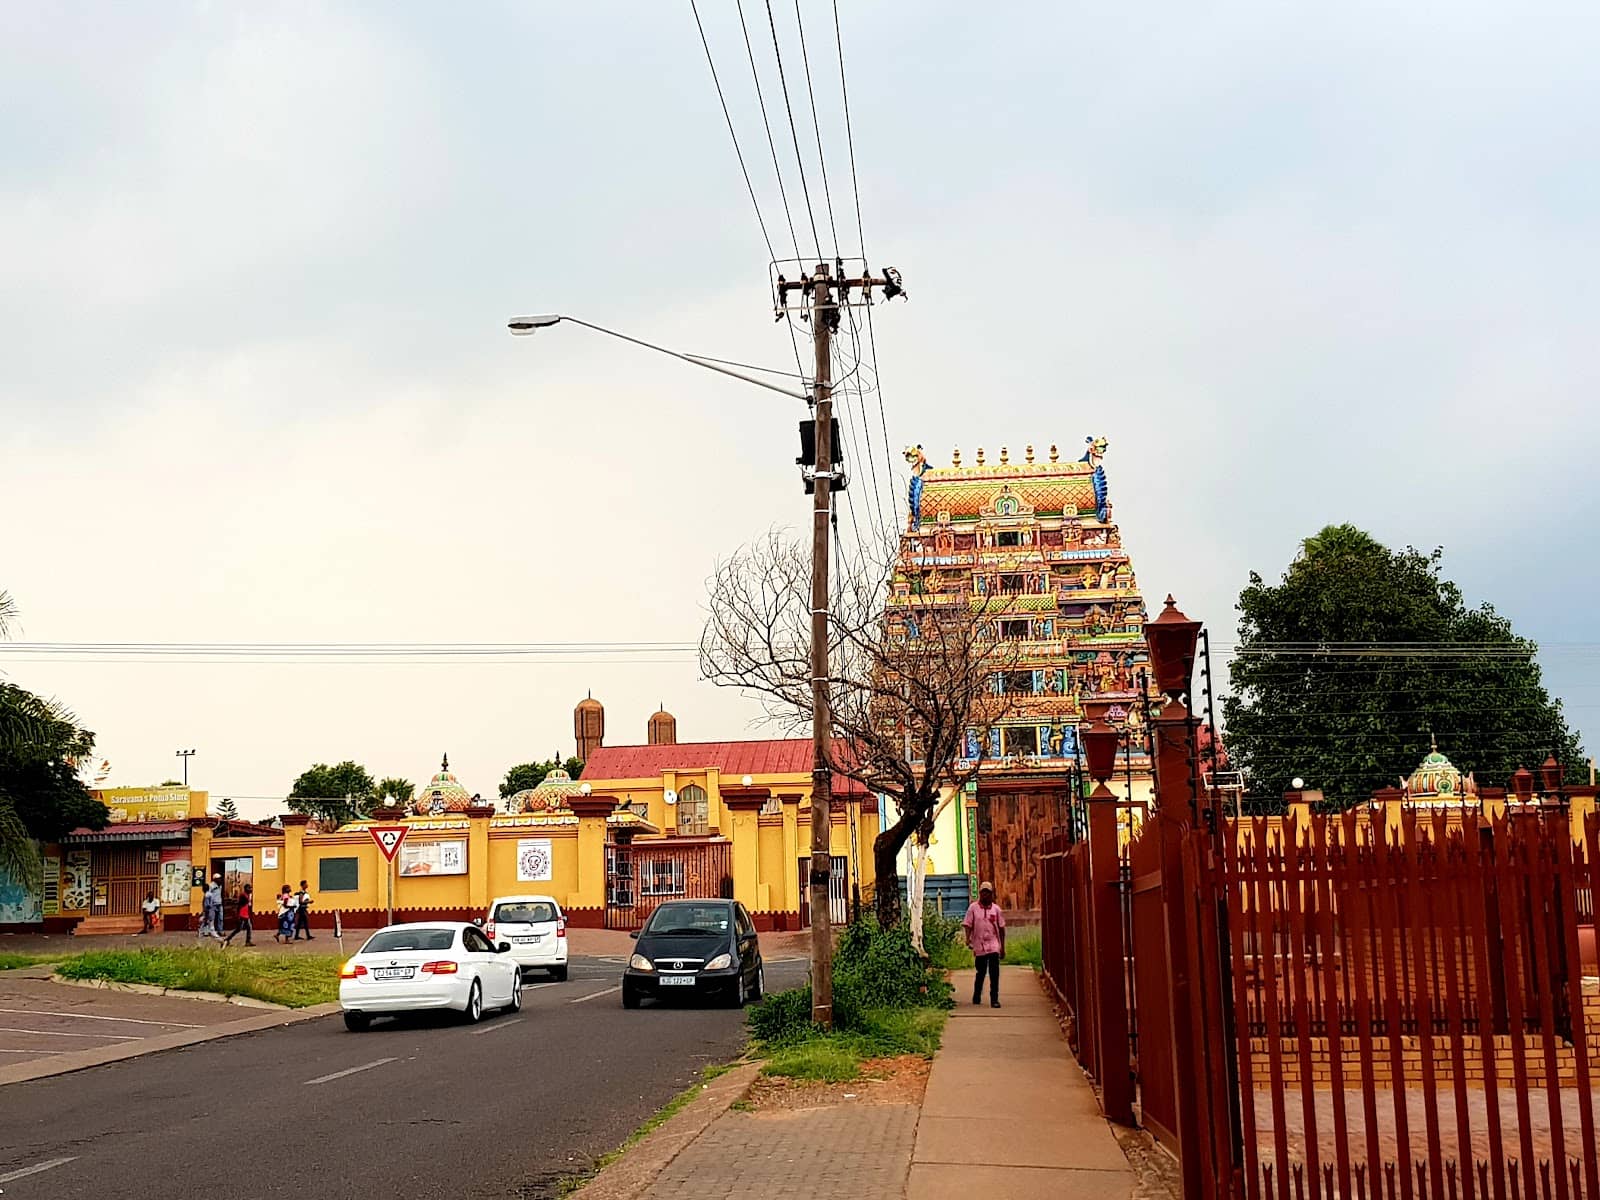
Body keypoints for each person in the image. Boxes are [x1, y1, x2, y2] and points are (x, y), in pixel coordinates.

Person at [962, 881, 1006, 1008]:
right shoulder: (973, 908)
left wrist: (1002, 947)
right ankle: (977, 994)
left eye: (988, 892)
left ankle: (994, 999)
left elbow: (1001, 929)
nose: (985, 895)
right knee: (980, 971)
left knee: (994, 973)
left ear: (991, 894)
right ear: (980, 893)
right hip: (979, 945)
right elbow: (968, 924)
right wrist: (967, 939)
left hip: (993, 945)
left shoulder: (996, 910)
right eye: (983, 892)